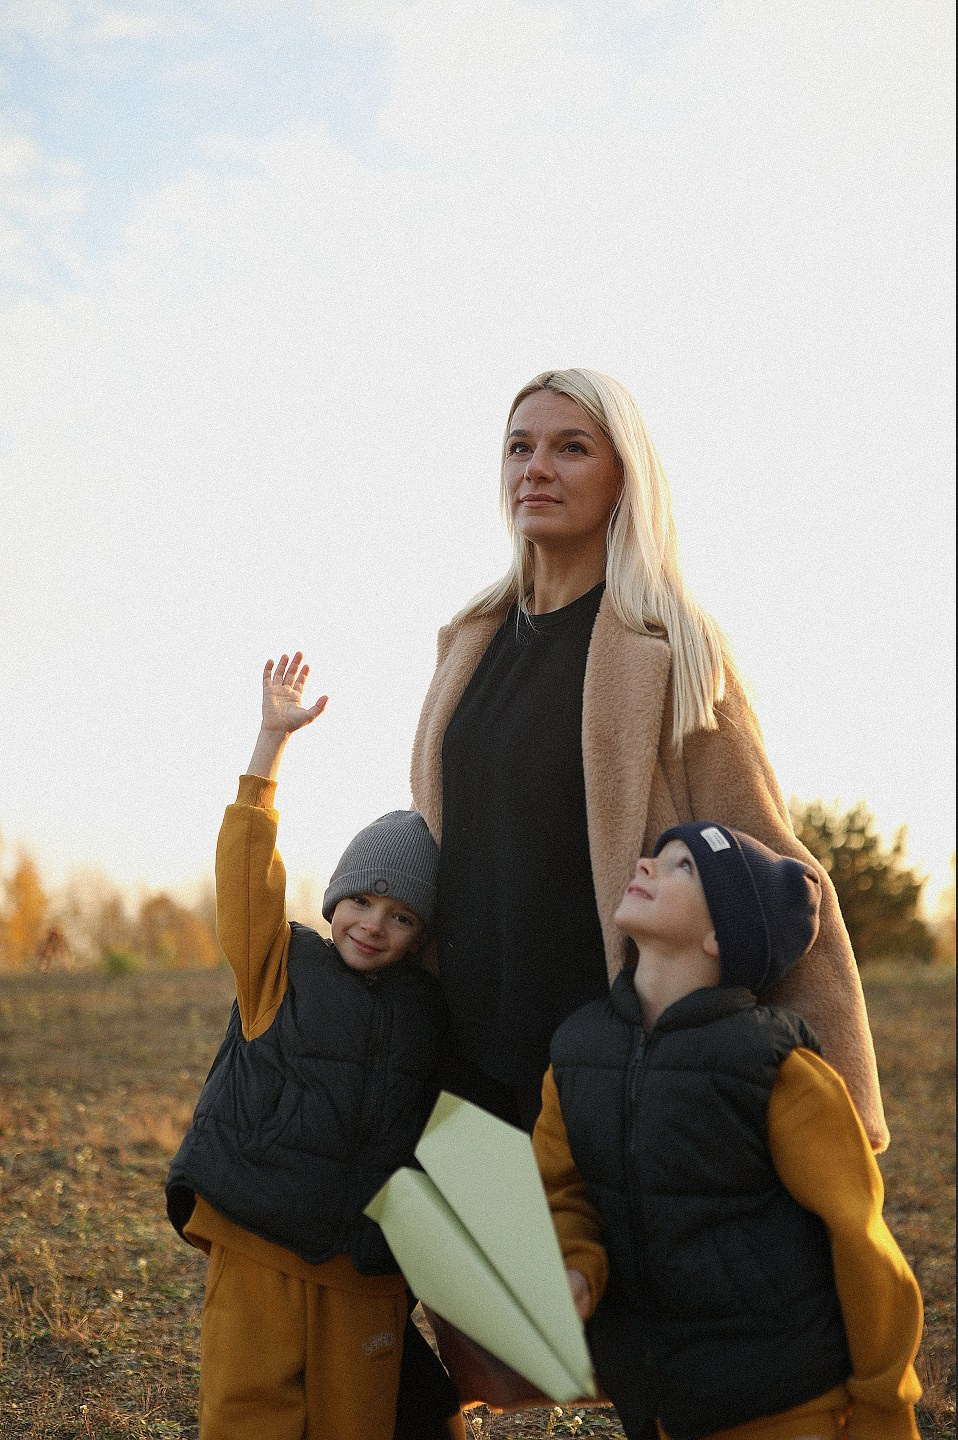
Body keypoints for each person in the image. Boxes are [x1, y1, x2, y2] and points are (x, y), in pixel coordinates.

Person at [411, 367, 887, 1152]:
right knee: (481, 1277)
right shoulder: (468, 642)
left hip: (613, 1065)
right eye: (519, 447)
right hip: (463, 1064)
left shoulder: (672, 652)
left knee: (599, 1280)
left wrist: (839, 1113)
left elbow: (767, 860)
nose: (535, 468)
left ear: (624, 478)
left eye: (571, 448)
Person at [532, 821, 923, 1440]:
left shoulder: (775, 1067)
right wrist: (577, 1265)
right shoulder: (579, 1049)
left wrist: (883, 1407)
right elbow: (559, 1190)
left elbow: (861, 1242)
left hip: (786, 1407)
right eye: (655, 857)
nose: (644, 867)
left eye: (682, 865)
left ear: (722, 935)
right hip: (656, 1405)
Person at [165, 652, 462, 1440]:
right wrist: (270, 748)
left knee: (358, 1424)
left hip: (363, 1268)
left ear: (422, 934)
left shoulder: (432, 1011)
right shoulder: (281, 965)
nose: (373, 923)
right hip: (258, 1241)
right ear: (335, 900)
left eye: (401, 916)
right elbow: (246, 872)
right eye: (362, 900)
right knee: (247, 1417)